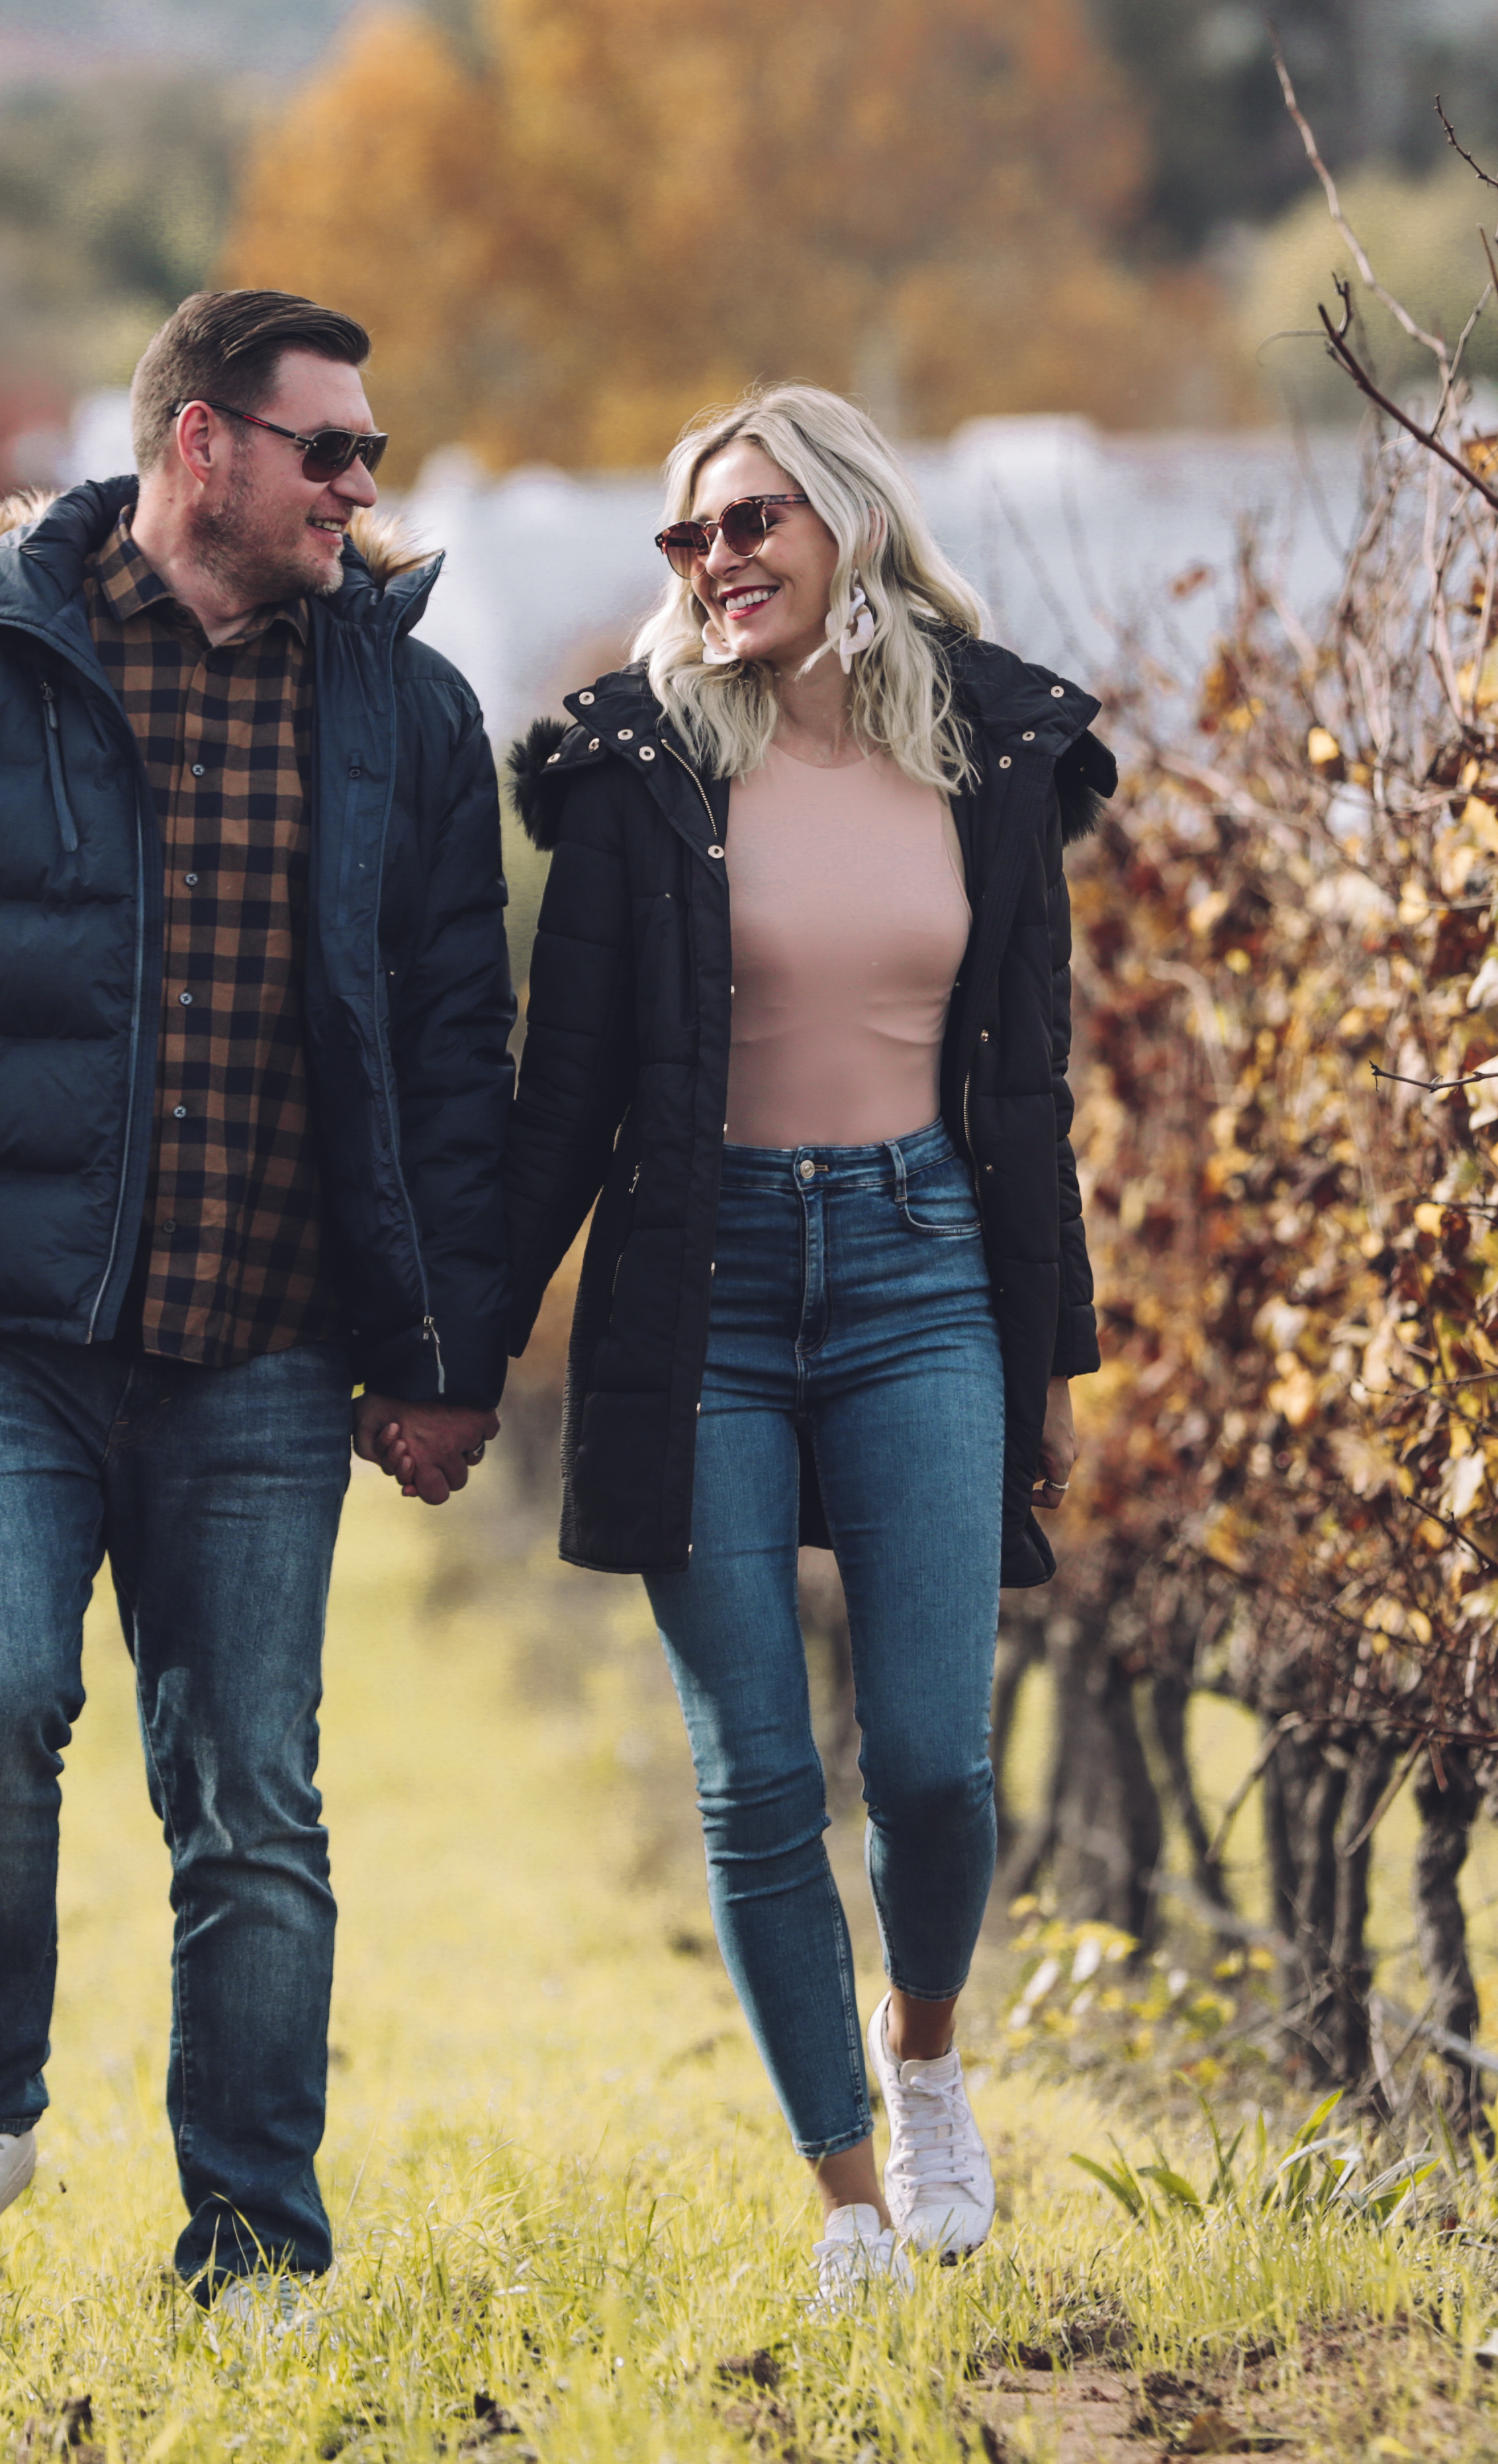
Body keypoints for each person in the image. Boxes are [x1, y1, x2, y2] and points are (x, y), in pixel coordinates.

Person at [0, 289, 513, 2320]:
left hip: (262, 1346)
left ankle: (253, 2238)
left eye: (373, 454)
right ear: (203, 445)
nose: (363, 486)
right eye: (332, 448)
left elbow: (456, 1053)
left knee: (249, 1792)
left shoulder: (405, 717)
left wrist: (444, 1355)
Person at [499, 383, 1110, 2307]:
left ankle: (926, 2060)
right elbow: (564, 1094)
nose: (719, 560)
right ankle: (849, 2199)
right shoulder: (643, 772)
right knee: (761, 1777)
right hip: (708, 1283)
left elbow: (1036, 1082)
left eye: (753, 519)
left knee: (931, 1761)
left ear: (849, 519)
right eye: (691, 537)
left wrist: (1056, 1356)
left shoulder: (998, 753)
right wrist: (451, 1348)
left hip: (927, 1265)